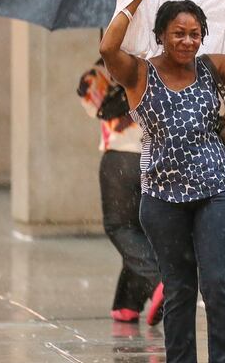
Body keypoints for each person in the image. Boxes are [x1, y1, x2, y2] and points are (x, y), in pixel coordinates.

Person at [99, 0, 225, 363]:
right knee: (179, 290)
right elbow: (109, 47)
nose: (187, 41)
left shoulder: (210, 68)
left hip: (216, 192)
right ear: (160, 35)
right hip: (162, 200)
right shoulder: (139, 73)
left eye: (195, 33)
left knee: (217, 284)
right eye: (178, 33)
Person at [77, 59, 164, 326]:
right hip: (156, 159)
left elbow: (89, 100)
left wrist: (102, 64)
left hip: (120, 160)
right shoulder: (160, 62)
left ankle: (159, 280)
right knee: (141, 229)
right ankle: (127, 303)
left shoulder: (108, 67)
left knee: (119, 227)